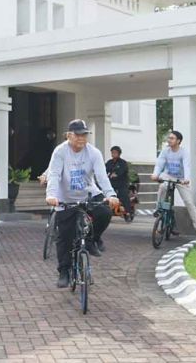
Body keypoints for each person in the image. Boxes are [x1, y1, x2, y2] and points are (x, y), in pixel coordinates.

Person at [45, 119, 119, 288]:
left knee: (104, 213)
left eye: (84, 135)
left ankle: (93, 239)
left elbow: (102, 177)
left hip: (88, 195)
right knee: (64, 237)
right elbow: (54, 175)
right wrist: (51, 195)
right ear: (69, 135)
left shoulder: (94, 153)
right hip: (65, 199)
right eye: (78, 135)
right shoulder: (60, 152)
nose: (81, 138)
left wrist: (111, 194)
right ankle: (64, 271)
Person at [151, 130, 196, 238]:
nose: (169, 140)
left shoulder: (183, 152)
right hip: (168, 176)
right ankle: (159, 208)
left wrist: (186, 179)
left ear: (178, 141)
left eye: (172, 138)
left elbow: (187, 166)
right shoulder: (165, 151)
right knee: (162, 186)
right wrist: (155, 174)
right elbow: (159, 164)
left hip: (181, 179)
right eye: (169, 138)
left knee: (189, 202)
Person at [105, 146, 131, 219]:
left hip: (121, 183)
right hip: (112, 183)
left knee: (124, 195)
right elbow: (105, 170)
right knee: (106, 194)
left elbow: (122, 171)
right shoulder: (109, 162)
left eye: (115, 153)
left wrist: (116, 174)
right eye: (112, 153)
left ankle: (128, 212)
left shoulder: (123, 163)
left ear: (119, 154)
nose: (113, 154)